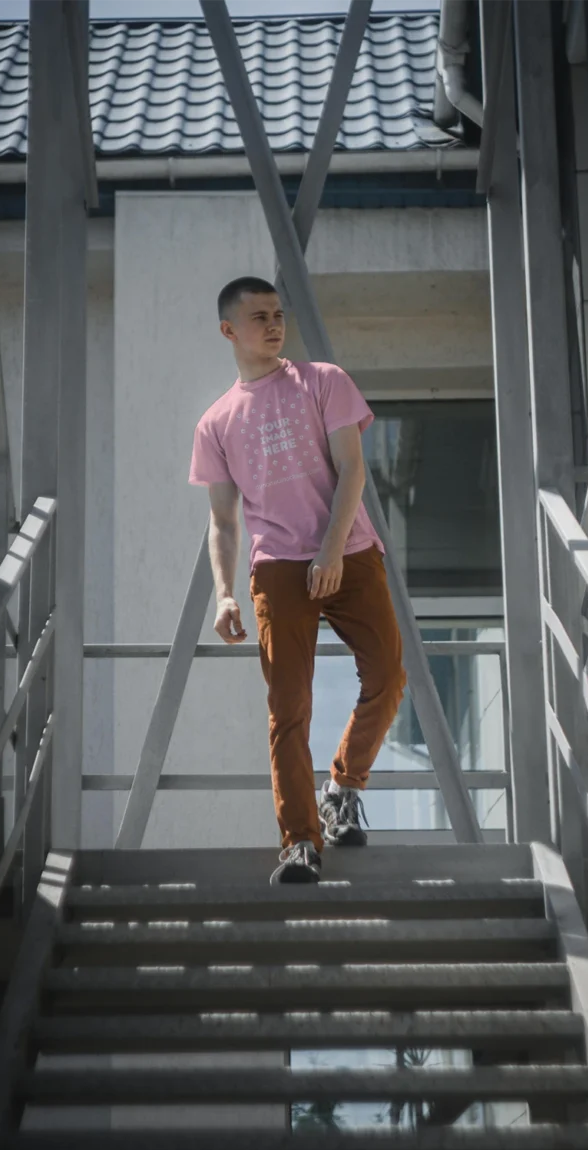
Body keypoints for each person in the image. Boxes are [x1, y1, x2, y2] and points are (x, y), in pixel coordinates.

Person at [189, 276, 406, 885]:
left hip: (351, 550)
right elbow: (223, 520)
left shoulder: (323, 381)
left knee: (388, 674)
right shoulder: (217, 422)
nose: (274, 324)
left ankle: (343, 785)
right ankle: (301, 843)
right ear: (230, 330)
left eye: (278, 313)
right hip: (277, 567)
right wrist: (225, 592)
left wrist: (332, 551)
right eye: (259, 317)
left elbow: (353, 469)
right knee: (289, 706)